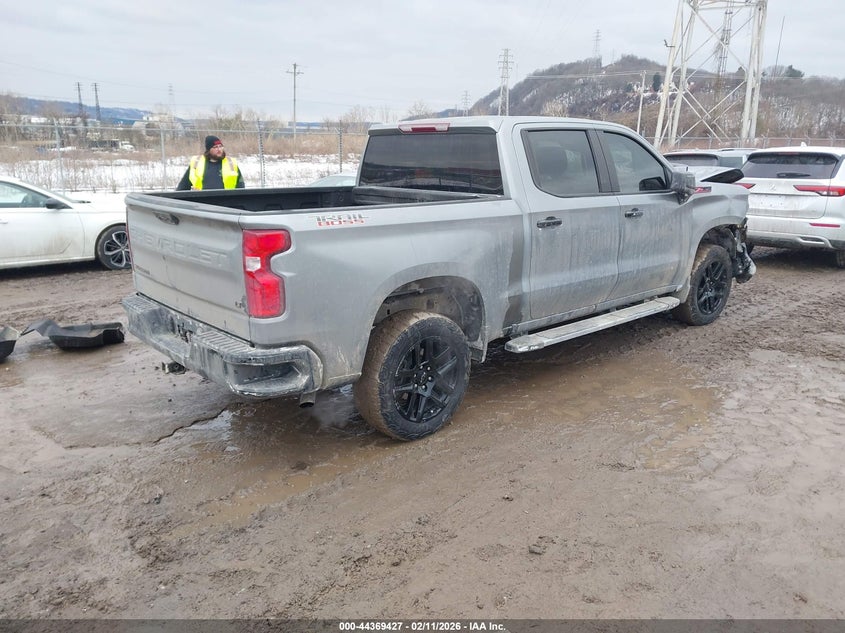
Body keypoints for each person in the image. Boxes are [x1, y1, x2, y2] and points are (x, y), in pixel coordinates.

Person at [176, 135, 245, 190]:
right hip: (202, 201)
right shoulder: (196, 163)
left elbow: (240, 186)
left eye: (220, 146)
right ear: (208, 150)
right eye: (215, 147)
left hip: (227, 201)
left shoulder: (231, 163)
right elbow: (183, 186)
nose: (219, 149)